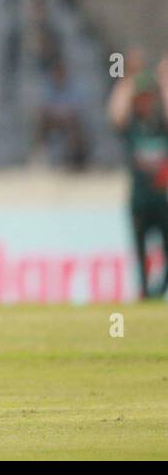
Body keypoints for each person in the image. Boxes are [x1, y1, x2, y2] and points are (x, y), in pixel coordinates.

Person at [107, 55, 168, 300]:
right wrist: (128, 79)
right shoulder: (131, 126)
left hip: (162, 200)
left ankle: (156, 292)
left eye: (147, 99)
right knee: (141, 255)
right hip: (139, 201)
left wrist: (164, 81)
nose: (144, 103)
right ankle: (146, 294)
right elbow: (116, 114)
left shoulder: (161, 125)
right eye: (139, 99)